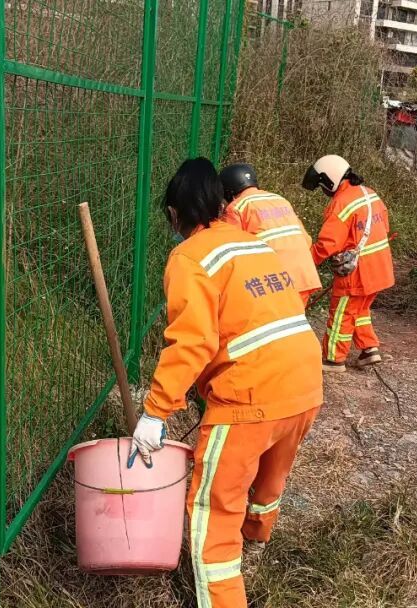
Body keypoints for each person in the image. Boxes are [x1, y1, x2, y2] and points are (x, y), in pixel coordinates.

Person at [131, 158, 323, 608]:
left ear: (175, 214)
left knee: (212, 509)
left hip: (249, 397)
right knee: (272, 472)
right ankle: (257, 537)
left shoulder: (190, 257)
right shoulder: (251, 243)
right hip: (304, 382)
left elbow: (192, 342)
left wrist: (155, 412)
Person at [302, 154, 394, 373]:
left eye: (322, 186)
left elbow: (328, 244)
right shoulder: (370, 194)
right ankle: (369, 349)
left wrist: (306, 262)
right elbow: (385, 227)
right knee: (359, 310)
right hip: (380, 268)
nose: (323, 191)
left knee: (341, 315)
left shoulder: (341, 203)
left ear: (330, 180)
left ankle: (333, 359)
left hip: (357, 274)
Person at [219, 163, 321, 305]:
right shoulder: (280, 200)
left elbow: (228, 250)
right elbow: (307, 240)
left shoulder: (237, 208)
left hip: (274, 283)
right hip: (304, 276)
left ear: (227, 191)